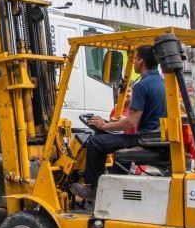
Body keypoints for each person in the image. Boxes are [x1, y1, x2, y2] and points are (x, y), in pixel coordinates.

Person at [71, 45, 167, 201]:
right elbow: (146, 116)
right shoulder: (161, 83)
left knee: (96, 142)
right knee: (110, 139)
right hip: (155, 136)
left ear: (141, 61)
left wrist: (104, 125)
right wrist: (112, 125)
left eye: (134, 58)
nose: (134, 62)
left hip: (143, 139)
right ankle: (115, 185)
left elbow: (131, 123)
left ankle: (93, 189)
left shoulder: (142, 86)